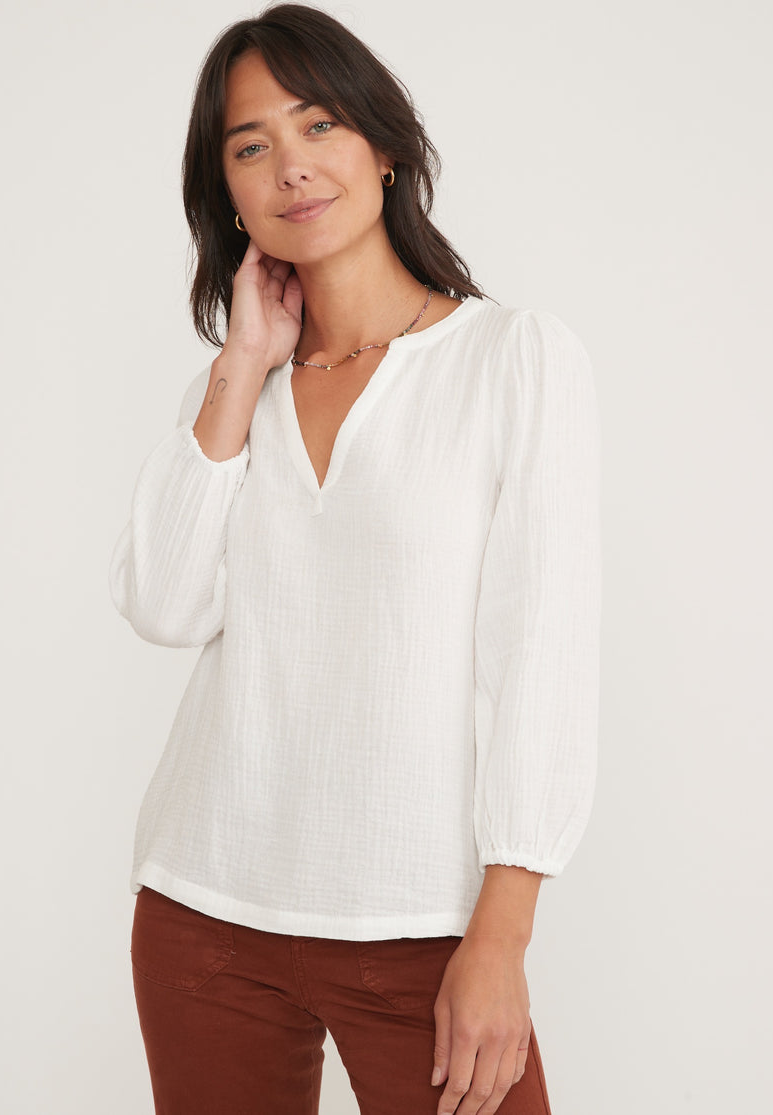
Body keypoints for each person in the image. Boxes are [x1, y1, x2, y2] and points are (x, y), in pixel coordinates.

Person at [109, 5, 601, 1114]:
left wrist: (502, 934)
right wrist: (242, 360)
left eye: (318, 123)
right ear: (229, 194)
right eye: (251, 145)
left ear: (383, 145)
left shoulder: (512, 359)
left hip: (423, 923)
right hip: (205, 911)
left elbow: (543, 658)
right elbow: (164, 603)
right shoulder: (236, 392)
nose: (291, 164)